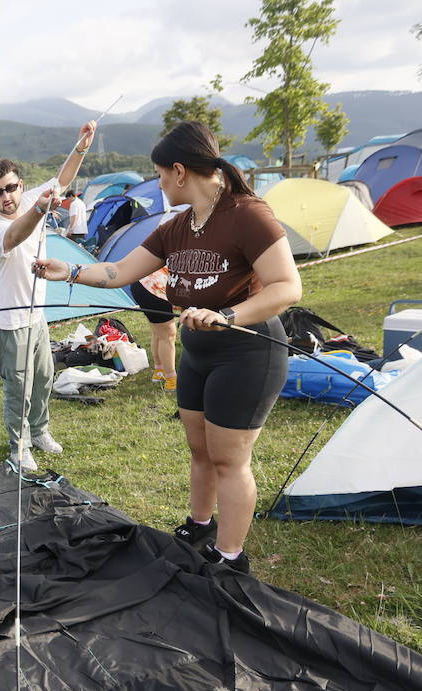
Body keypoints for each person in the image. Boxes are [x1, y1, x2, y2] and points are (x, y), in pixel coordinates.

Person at [34, 121, 301, 572]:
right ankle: (200, 524)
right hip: (198, 352)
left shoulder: (247, 214)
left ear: (179, 171)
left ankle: (231, 556)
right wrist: (71, 272)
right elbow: (118, 272)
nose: (159, 184)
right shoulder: (177, 228)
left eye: (159, 175)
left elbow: (287, 287)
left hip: (248, 352)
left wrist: (228, 316)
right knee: (200, 450)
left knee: (229, 459)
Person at [0, 119, 96, 471]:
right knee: (19, 388)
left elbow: (63, 180)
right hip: (6, 322)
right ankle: (19, 447)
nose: (6, 197)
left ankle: (40, 430)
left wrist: (82, 146)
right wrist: (40, 208)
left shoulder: (28, 198)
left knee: (44, 377)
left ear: (20, 185)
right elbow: (15, 236)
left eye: (10, 188)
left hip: (35, 316)